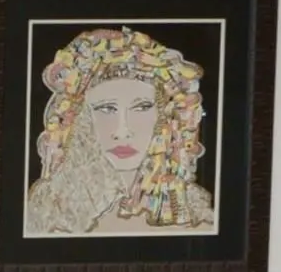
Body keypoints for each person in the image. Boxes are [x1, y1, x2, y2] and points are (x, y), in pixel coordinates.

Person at [23, 26, 216, 236]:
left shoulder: (196, 220)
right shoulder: (49, 215)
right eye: (106, 109)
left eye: (142, 107)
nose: (122, 131)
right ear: (81, 119)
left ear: (166, 116)